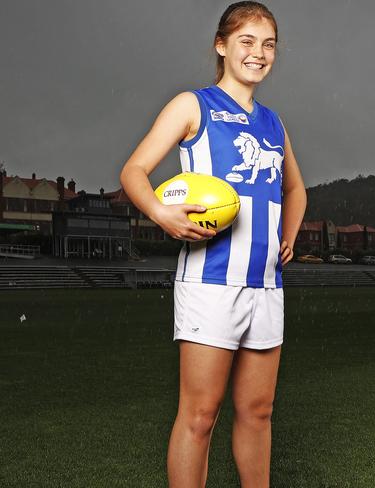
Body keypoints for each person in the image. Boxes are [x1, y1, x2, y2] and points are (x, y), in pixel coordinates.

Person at [120, 2, 306, 486]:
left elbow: (295, 189)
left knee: (259, 412)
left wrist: (288, 235)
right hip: (210, 282)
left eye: (268, 45)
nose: (258, 54)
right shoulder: (192, 105)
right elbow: (134, 171)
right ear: (222, 46)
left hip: (265, 285)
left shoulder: (273, 122)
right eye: (247, 42)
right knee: (200, 415)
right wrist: (161, 213)